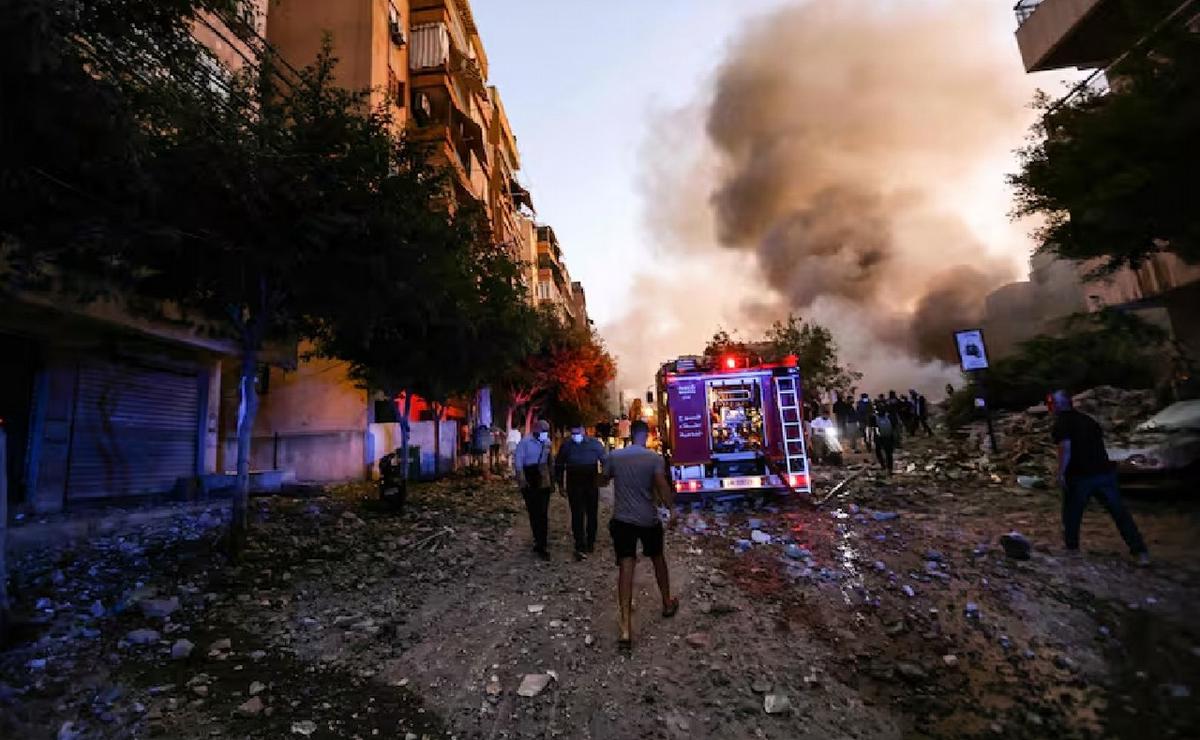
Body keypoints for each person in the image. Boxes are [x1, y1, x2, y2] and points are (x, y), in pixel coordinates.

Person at [600, 419, 678, 648]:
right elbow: (662, 486)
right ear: (647, 435)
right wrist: (672, 509)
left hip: (622, 519)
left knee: (626, 565)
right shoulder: (653, 458)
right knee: (657, 559)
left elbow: (604, 479)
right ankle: (666, 602)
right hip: (647, 519)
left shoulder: (615, 456)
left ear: (631, 435)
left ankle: (625, 627)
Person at [1050, 390, 1150, 565]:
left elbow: (1065, 448)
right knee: (1119, 513)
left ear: (1058, 405)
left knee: (1072, 515)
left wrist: (1061, 473)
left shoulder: (1061, 424)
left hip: (1080, 476)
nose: (1050, 406)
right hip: (1104, 472)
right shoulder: (1088, 420)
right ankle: (1139, 551)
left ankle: (1072, 549)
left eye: (1051, 402)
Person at [555, 424, 608, 560]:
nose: (575, 436)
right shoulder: (566, 445)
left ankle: (590, 541)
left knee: (592, 512)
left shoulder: (595, 444)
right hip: (574, 480)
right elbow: (559, 465)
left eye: (577, 433)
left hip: (590, 479)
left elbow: (605, 461)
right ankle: (580, 543)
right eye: (573, 433)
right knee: (577, 513)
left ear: (584, 432)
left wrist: (604, 477)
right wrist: (560, 484)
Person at [514, 420, 555, 560]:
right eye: (542, 431)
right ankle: (538, 539)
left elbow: (550, 462)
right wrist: (522, 480)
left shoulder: (547, 443)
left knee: (543, 512)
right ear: (535, 430)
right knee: (534, 511)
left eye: (546, 431)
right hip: (529, 478)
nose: (545, 434)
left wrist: (552, 481)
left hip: (543, 478)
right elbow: (518, 463)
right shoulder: (525, 443)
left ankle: (542, 542)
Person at [871, 402, 896, 475]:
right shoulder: (875, 417)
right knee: (885, 453)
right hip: (883, 437)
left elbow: (893, 427)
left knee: (886, 453)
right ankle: (886, 467)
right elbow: (872, 429)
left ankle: (887, 467)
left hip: (885, 437)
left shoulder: (888, 416)